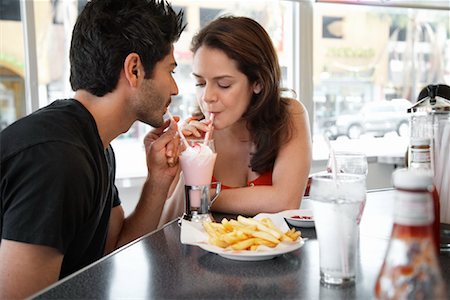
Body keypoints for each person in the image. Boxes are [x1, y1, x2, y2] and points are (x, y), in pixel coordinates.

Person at [0, 0, 185, 298]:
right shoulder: (56, 158)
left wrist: (158, 179)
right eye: (170, 70)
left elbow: (113, 250)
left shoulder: (95, 143)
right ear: (134, 69)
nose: (175, 88)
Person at [161, 16, 312, 219]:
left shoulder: (289, 116)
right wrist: (186, 171)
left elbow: (286, 201)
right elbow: (165, 228)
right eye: (200, 83)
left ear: (257, 82)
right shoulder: (192, 135)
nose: (207, 97)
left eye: (223, 84)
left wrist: (206, 195)